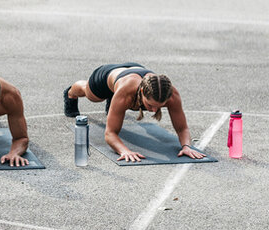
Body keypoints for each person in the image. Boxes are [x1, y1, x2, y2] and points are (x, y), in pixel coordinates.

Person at [63, 62, 205, 162]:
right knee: (91, 95)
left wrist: (186, 146)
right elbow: (110, 133)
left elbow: (182, 128)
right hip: (106, 76)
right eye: (150, 105)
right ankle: (70, 93)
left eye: (159, 107)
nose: (154, 110)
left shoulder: (171, 94)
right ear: (142, 91)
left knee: (121, 102)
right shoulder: (126, 92)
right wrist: (124, 150)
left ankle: (113, 99)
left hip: (134, 71)